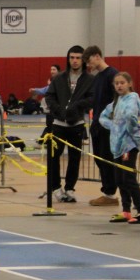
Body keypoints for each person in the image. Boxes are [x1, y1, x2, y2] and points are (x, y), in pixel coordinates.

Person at [44, 46, 94, 204]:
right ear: (68, 59)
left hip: (77, 124)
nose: (75, 61)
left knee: (75, 158)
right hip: (58, 124)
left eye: (78, 58)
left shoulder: (89, 79)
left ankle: (70, 188)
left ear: (83, 60)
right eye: (72, 57)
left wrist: (77, 107)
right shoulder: (59, 78)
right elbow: (49, 97)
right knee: (54, 157)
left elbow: (92, 99)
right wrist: (59, 111)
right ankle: (55, 188)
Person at [98, 72, 140, 224]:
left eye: (122, 83)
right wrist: (113, 126)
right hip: (117, 145)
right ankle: (126, 210)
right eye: (116, 83)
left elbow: (131, 117)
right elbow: (102, 116)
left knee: (129, 178)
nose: (119, 85)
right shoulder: (116, 101)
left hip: (129, 145)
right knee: (119, 179)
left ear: (129, 84)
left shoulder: (132, 98)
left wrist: (132, 134)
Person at [83, 45, 120, 206]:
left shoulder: (113, 74)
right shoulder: (97, 78)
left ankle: (110, 194)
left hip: (108, 126)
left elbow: (118, 100)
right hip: (97, 125)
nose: (88, 65)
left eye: (89, 60)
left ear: (97, 56)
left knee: (107, 159)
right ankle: (107, 191)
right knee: (99, 159)